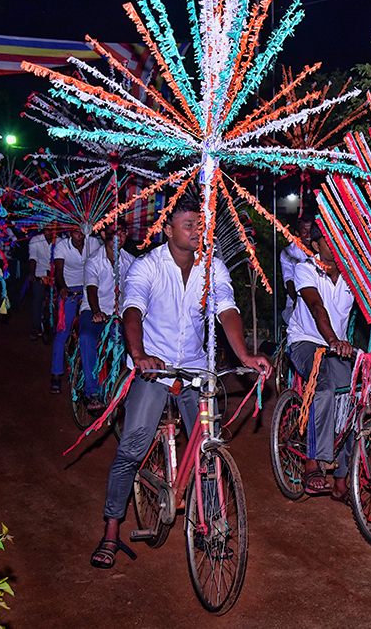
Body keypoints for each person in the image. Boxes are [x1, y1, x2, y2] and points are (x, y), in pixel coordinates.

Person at [90, 197, 270, 569]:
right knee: (131, 448)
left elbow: (227, 309)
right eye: (188, 224)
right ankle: (111, 529)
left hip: (195, 368)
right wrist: (139, 356)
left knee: (209, 450)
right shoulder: (147, 266)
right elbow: (133, 310)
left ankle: (211, 527)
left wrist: (244, 355)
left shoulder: (212, 267)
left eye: (201, 224)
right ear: (168, 229)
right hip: (153, 367)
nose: (197, 231)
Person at [286, 222, 371, 503]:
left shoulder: (352, 276)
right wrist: (334, 339)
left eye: (340, 239)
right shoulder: (306, 269)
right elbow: (316, 306)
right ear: (315, 246)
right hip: (306, 342)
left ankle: (341, 481)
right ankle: (313, 464)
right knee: (322, 388)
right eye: (328, 240)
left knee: (357, 399)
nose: (335, 245)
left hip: (338, 347)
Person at [79, 219, 135, 411]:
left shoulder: (131, 261)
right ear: (103, 235)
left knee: (125, 341)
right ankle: (92, 391)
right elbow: (91, 288)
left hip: (117, 314)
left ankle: (119, 386)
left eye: (122, 233)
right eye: (113, 233)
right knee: (87, 338)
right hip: (93, 310)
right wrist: (96, 311)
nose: (118, 236)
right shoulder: (93, 261)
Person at [50, 226, 101, 394]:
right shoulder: (62, 246)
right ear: (70, 233)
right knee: (63, 332)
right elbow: (58, 271)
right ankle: (56, 375)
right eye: (76, 233)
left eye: (82, 232)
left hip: (90, 289)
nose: (80, 236)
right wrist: (63, 288)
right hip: (70, 290)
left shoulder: (93, 243)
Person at [279, 214, 313, 326]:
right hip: (295, 304)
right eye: (304, 231)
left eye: (311, 230)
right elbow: (289, 281)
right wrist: (299, 303)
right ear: (297, 234)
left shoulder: (322, 249)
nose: (309, 234)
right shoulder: (288, 253)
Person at [27, 226, 57, 341]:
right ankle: (36, 327)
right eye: (47, 229)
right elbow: (33, 258)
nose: (50, 232)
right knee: (37, 299)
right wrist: (33, 274)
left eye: (52, 230)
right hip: (40, 273)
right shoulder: (35, 240)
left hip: (55, 274)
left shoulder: (59, 242)